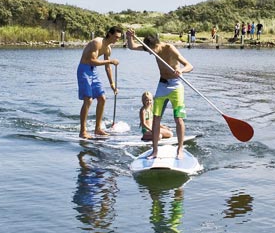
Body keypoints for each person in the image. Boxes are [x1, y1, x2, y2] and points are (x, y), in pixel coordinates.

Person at [125, 29, 193, 159]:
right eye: (148, 50)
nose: (150, 53)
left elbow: (189, 65)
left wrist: (182, 70)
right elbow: (132, 46)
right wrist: (129, 37)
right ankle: (155, 151)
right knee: (156, 119)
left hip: (175, 86)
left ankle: (180, 149)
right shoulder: (150, 48)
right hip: (162, 86)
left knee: (178, 118)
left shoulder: (169, 48)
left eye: (151, 50)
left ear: (156, 44)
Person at [78, 26, 123, 138]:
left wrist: (112, 84)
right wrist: (110, 60)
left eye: (119, 38)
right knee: (88, 100)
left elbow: (108, 67)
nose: (117, 40)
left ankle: (97, 129)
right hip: (84, 69)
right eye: (116, 37)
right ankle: (83, 131)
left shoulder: (108, 49)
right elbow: (91, 61)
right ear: (110, 34)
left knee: (102, 98)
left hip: (93, 71)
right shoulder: (97, 43)